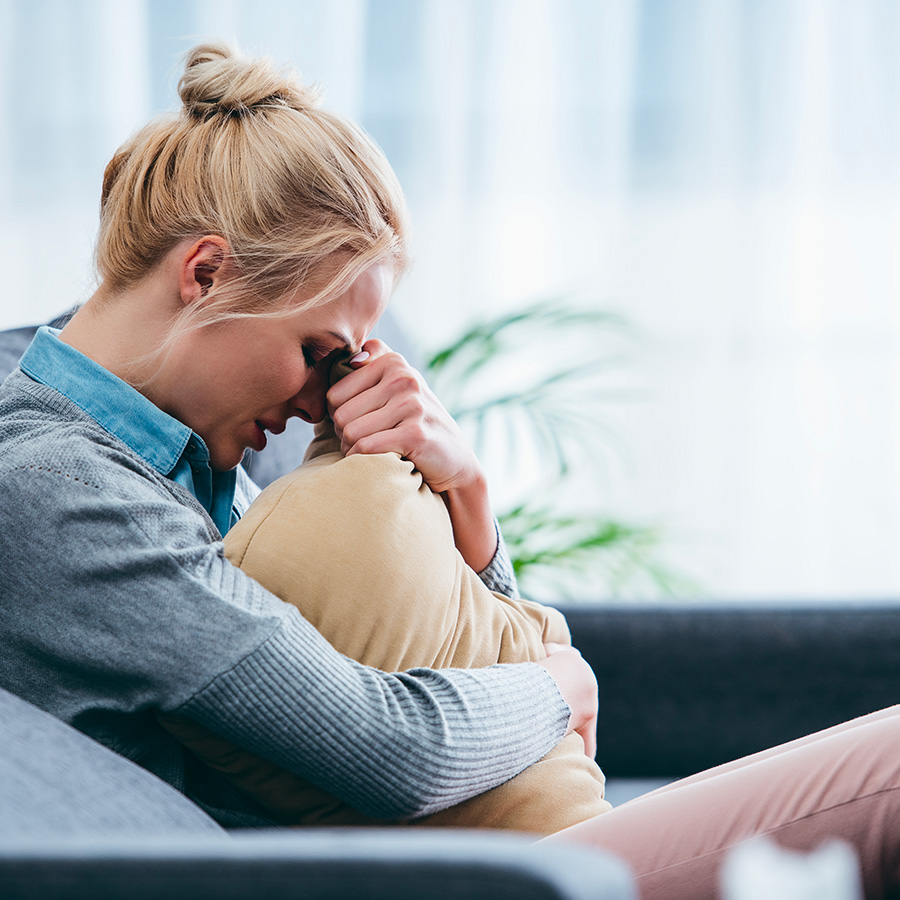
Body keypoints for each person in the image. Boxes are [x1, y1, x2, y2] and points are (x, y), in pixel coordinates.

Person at [0, 42, 897, 900]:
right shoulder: (63, 495)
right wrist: (560, 684)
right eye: (319, 352)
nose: (322, 401)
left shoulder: (179, 443)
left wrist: (465, 494)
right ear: (203, 272)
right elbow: (387, 754)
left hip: (470, 849)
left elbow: (454, 634)